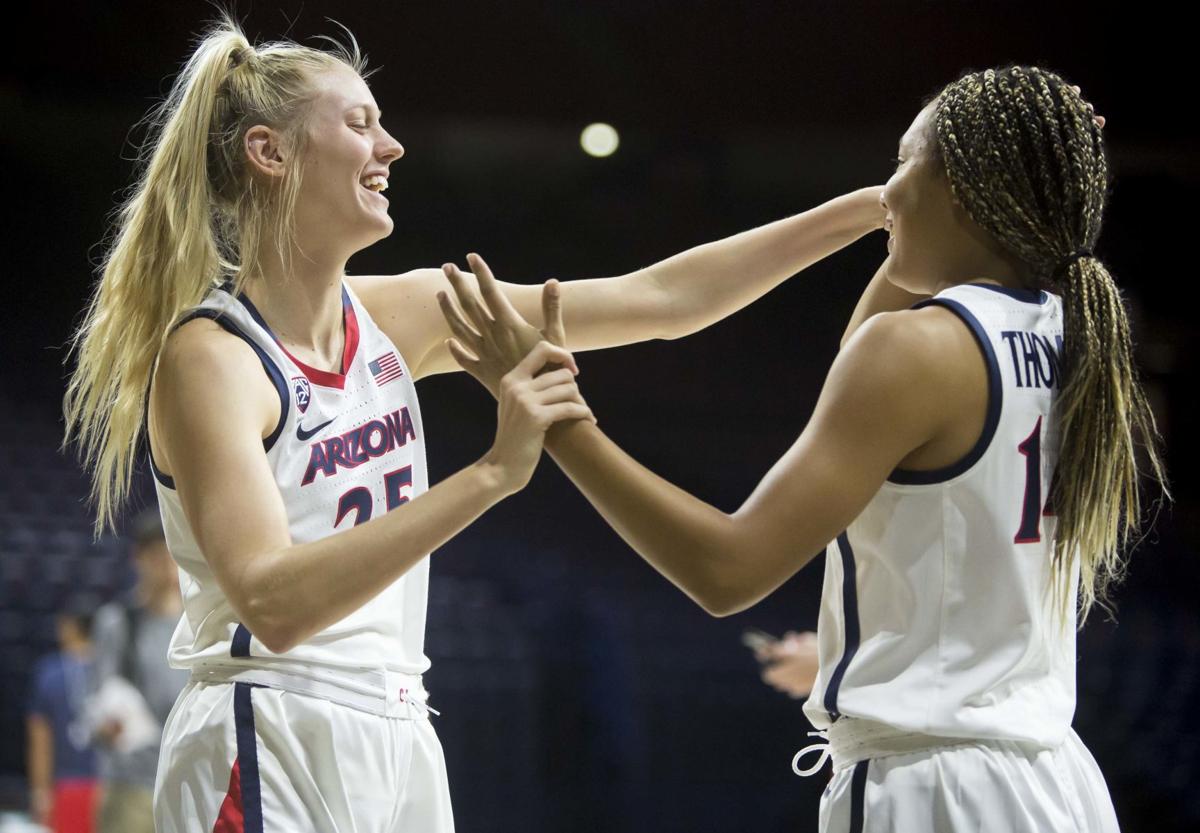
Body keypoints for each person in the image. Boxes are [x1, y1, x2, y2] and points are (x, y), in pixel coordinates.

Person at [62, 15, 888, 832]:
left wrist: (869, 212)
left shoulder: (402, 312)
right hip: (270, 721)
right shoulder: (214, 356)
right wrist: (494, 473)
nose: (391, 148)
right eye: (360, 125)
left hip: (399, 723)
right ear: (269, 153)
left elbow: (666, 300)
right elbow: (273, 601)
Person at [437, 66, 1164, 832]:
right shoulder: (1077, 339)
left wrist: (553, 412)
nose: (888, 192)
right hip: (1053, 784)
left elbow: (727, 570)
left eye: (902, 163)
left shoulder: (918, 351)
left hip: (935, 790)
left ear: (960, 185)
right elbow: (863, 383)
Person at [90, 509, 188, 833]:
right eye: (157, 556)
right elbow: (94, 698)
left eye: (172, 555)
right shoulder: (118, 623)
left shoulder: (199, 625)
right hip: (133, 785)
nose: (167, 566)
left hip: (188, 780)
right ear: (139, 559)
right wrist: (105, 725)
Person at [26, 601, 100, 833]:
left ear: (68, 628)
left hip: (65, 785)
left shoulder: (49, 673)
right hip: (108, 785)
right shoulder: (110, 669)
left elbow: (39, 737)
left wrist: (40, 791)